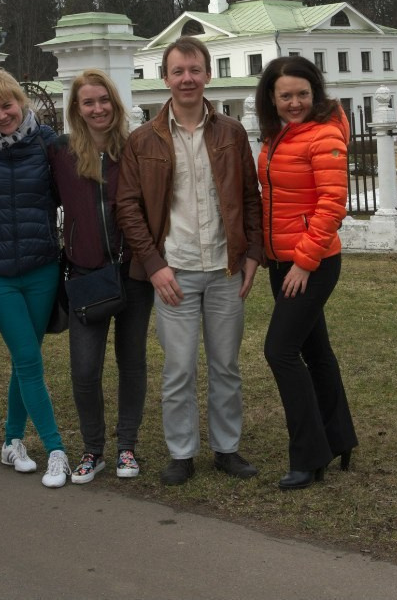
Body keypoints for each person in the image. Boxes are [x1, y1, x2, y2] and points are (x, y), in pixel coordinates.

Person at [117, 36, 263, 486]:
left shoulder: (232, 133)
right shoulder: (142, 140)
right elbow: (128, 207)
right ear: (165, 78)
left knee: (226, 367)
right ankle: (181, 452)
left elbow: (249, 199)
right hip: (174, 272)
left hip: (224, 269)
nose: (187, 78)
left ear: (208, 74)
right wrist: (155, 264)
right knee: (179, 369)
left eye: (195, 69)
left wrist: (253, 254)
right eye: (178, 71)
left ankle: (227, 449)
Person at [254, 56, 358, 490]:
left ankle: (309, 454)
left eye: (302, 94)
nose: (294, 102)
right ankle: (338, 438)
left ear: (315, 93)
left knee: (279, 351)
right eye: (285, 96)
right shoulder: (278, 135)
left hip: (309, 263)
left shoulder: (324, 135)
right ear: (272, 99)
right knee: (315, 352)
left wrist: (303, 261)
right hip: (282, 262)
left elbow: (332, 205)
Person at [49, 69, 153, 484]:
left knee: (132, 363)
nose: (97, 108)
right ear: (76, 108)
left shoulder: (135, 148)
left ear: (115, 102)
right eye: (88, 102)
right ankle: (93, 449)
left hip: (133, 273)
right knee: (84, 370)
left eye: (103, 100)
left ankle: (126, 445)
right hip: (86, 276)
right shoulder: (60, 152)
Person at [0, 69, 70, 489]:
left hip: (42, 268)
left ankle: (11, 441)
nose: (0, 116)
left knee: (24, 359)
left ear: (21, 102)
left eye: (7, 105)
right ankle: (56, 450)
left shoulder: (47, 142)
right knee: (29, 359)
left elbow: (76, 186)